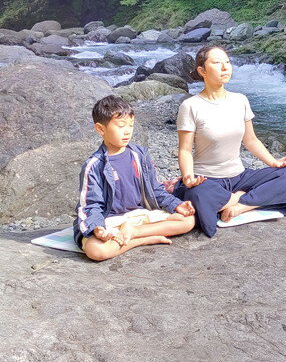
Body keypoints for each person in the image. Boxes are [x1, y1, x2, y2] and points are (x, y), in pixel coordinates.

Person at [172, 45, 286, 237]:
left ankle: (240, 205)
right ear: (202, 71)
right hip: (207, 179)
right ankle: (244, 199)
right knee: (197, 194)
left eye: (227, 62)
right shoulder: (191, 106)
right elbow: (185, 150)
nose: (225, 67)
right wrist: (188, 177)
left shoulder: (240, 100)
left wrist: (273, 163)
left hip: (240, 177)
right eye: (217, 63)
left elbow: (250, 140)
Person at [73, 95, 196, 261]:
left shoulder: (139, 155)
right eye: (121, 126)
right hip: (109, 221)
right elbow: (90, 205)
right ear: (100, 129)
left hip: (138, 217)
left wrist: (176, 204)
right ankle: (142, 240)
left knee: (188, 220)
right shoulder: (94, 165)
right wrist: (97, 228)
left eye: (131, 125)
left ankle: (133, 233)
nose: (127, 131)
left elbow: (155, 190)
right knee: (96, 251)